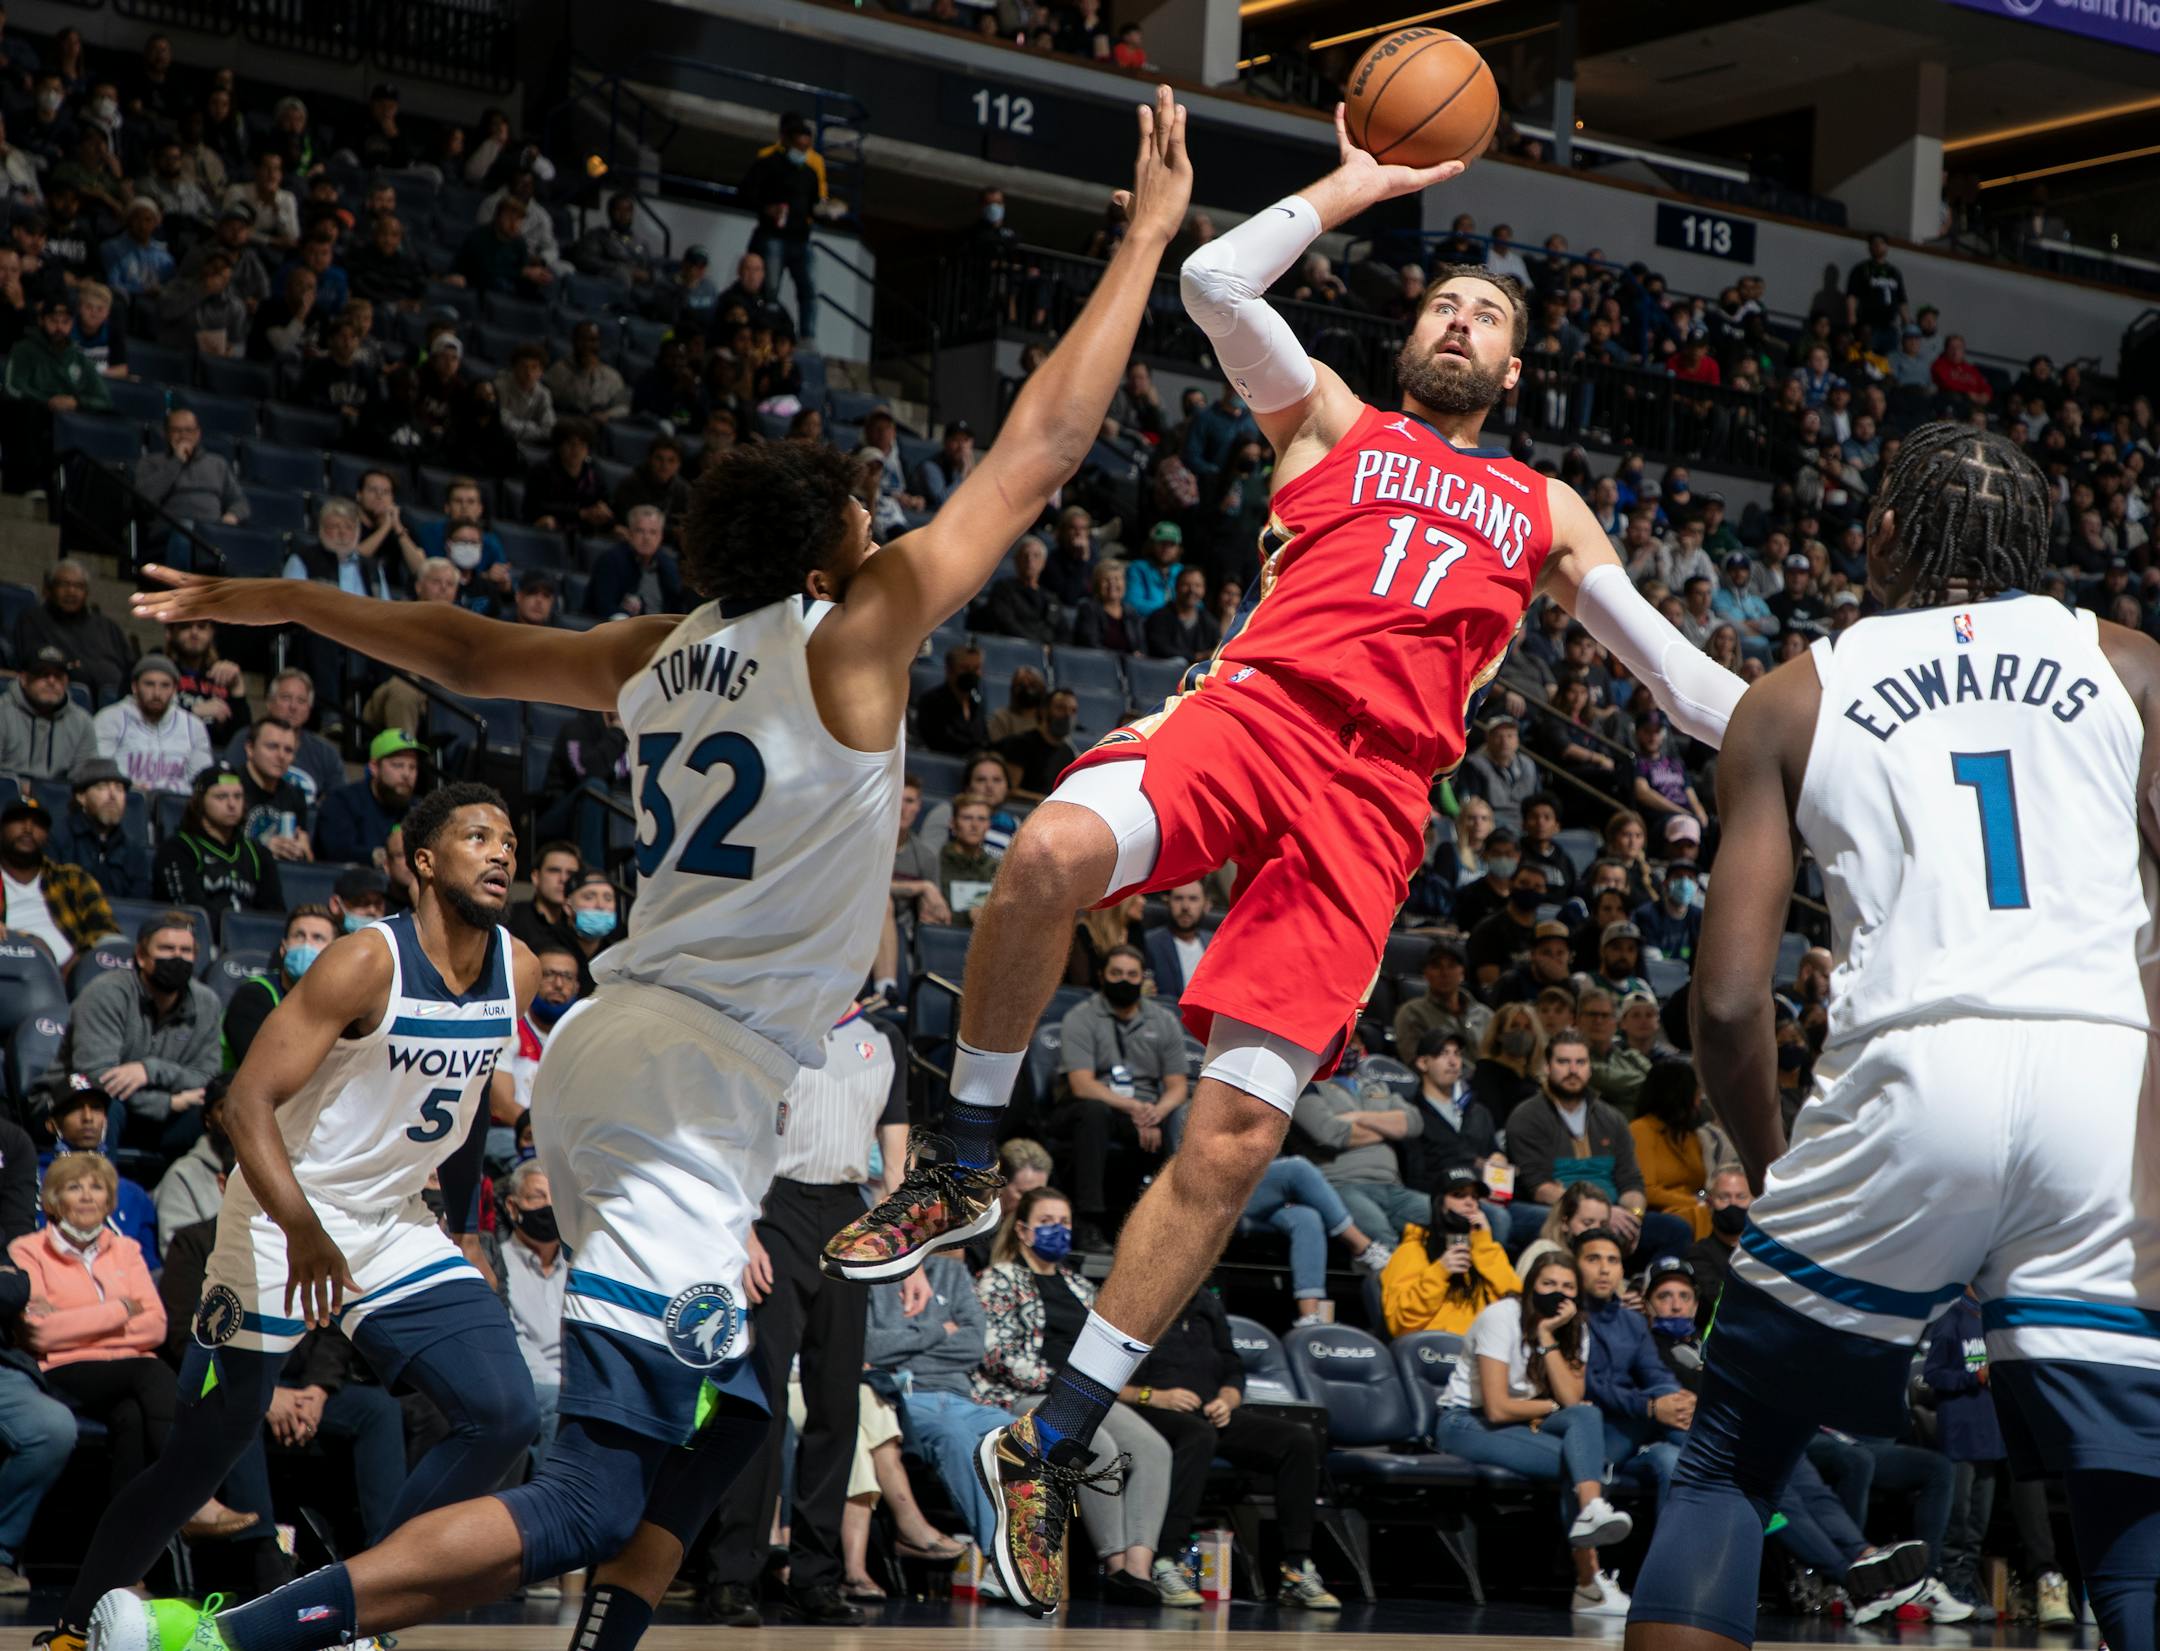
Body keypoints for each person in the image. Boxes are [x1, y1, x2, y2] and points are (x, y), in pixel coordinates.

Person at [107, 86, 1194, 1651]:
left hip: (632, 1052)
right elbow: (1040, 447)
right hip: (687, 1070)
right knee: (591, 1496)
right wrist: (1146, 237)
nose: (884, 521)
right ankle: (222, 1636)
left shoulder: (653, 648)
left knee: (740, 1407)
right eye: (863, 513)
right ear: (829, 558)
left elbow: (464, 644)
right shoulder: (857, 632)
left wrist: (278, 596)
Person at [1627, 425, 2160, 1651]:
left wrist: (1773, 1169)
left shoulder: (1792, 696)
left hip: (1913, 1077)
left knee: (1727, 1461)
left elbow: (1722, 1003)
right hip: (2105, 1083)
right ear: (2040, 551)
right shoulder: (2130, 665)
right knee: (2131, 1507)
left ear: (1877, 540)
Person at [61, 787, 543, 1651]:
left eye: (509, 839)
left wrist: (464, 1224)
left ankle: (344, 1608)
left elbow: (468, 1108)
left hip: (393, 1218)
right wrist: (304, 1228)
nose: (502, 852)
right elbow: (246, 1102)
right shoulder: (365, 961)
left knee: (503, 1411)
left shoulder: (521, 967)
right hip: (283, 1211)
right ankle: (74, 1621)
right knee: (206, 1448)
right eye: (478, 837)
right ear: (424, 861)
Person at [971, 1188, 1177, 1607]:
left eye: (1064, 1223)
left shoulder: (1081, 1286)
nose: (1058, 1231)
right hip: (1023, 1394)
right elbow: (996, 1354)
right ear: (1025, 1231)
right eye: (1047, 1222)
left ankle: (1139, 1569)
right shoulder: (999, 1278)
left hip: (1082, 1394)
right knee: (1096, 1444)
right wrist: (1063, 1382)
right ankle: (1116, 1564)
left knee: (1154, 1449)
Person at [1435, 1252, 1634, 1614]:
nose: (1557, 1294)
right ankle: (1589, 1583)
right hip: (1466, 1422)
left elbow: (1573, 1399)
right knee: (1580, 1462)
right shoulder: (1501, 1317)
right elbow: (1496, 1407)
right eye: (1548, 1285)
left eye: (1567, 1287)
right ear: (1530, 1287)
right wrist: (1551, 1408)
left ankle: (1592, 1510)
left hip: (1522, 1419)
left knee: (1587, 1419)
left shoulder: (1577, 1327)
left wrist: (1546, 1335)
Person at [1125, 1284, 1338, 1609]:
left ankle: (1296, 1568)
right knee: (1198, 1436)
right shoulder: (1138, 1298)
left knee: (1299, 1439)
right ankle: (1166, 1561)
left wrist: (1228, 1398)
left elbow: (1233, 1367)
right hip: (1149, 1412)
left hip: (1211, 1412)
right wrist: (1154, 1397)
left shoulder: (1207, 1302)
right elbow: (1106, 1377)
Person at [1379, 1166, 1518, 1336]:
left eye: (1474, 1197)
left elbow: (1513, 1300)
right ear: (1439, 1203)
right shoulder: (1411, 1251)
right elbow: (1400, 1322)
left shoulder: (1484, 1250)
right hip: (1433, 1352)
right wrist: (1440, 1271)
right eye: (1459, 1195)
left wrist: (1484, 1243)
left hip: (1481, 1351)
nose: (1470, 1202)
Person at [152, 762, 283, 918]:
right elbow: (192, 912)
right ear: (200, 802)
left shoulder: (258, 853)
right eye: (221, 797)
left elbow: (274, 914)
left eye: (238, 796)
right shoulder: (178, 849)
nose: (232, 804)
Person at [0, 791, 112, 972]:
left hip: (76, 980)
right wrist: (31, 945)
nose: (28, 828)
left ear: (47, 835)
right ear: (2, 829)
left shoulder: (73, 879)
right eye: (19, 820)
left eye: (38, 824)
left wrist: (78, 965)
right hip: (9, 972)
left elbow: (105, 932)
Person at [222, 905, 334, 1069]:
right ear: (283, 948)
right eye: (299, 936)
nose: (306, 945)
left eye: (317, 938)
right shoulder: (252, 996)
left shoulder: (336, 1001)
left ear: (334, 952)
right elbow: (261, 1070)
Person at [15, 560, 133, 705]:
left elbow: (131, 667)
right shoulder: (33, 619)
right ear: (49, 589)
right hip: (59, 701)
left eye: (79, 586)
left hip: (117, 705)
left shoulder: (107, 626)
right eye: (64, 585)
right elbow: (31, 660)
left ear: (86, 593)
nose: (71, 591)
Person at [93, 654, 209, 796]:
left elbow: (202, 781)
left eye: (165, 685)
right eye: (149, 684)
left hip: (175, 808)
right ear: (135, 687)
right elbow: (98, 774)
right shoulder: (110, 719)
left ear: (174, 690)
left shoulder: (193, 726)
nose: (157, 693)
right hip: (126, 804)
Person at [315, 729, 421, 867]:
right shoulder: (342, 801)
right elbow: (337, 851)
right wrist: (381, 856)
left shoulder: (416, 809)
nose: (406, 774)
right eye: (398, 765)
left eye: (412, 767)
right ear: (374, 767)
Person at [52, 757, 148, 900]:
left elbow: (139, 905)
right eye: (102, 787)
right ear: (81, 796)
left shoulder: (134, 850)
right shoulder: (58, 838)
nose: (113, 796)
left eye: (119, 789)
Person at [0, 643, 95, 778]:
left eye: (58, 676)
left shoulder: (82, 722)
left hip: (61, 797)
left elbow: (85, 780)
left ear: (67, 681)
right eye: (42, 674)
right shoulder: (3, 712)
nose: (51, 681)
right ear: (24, 678)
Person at [1392, 936, 1492, 1055]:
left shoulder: (1485, 1015)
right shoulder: (1412, 1013)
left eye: (1452, 966)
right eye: (1436, 966)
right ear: (1425, 973)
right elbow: (1414, 1060)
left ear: (1463, 973)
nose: (1445, 973)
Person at [1141, 880, 1209, 997]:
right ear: (1167, 902)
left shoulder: (1216, 943)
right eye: (1178, 898)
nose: (1185, 907)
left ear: (1206, 905)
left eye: (1193, 899)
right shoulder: (1149, 943)